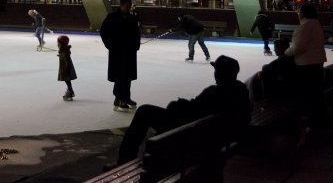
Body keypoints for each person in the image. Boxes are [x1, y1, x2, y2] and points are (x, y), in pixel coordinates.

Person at [108, 55, 252, 167]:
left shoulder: (215, 92)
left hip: (190, 133)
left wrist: (175, 105)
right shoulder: (240, 90)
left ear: (220, 73)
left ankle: (125, 159)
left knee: (144, 112)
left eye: (216, 70)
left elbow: (192, 110)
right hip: (211, 133)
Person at [284, 4, 327, 130]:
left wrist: (286, 53)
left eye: (299, 12)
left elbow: (298, 47)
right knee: (316, 91)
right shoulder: (316, 25)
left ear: (304, 14)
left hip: (306, 64)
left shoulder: (304, 27)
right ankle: (318, 117)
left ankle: (310, 118)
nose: (298, 14)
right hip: (317, 61)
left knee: (308, 92)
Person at [100, 0, 141, 111]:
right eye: (126, 6)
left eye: (129, 7)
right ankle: (118, 98)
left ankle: (126, 97)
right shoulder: (112, 17)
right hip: (117, 53)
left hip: (129, 53)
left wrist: (136, 46)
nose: (128, 9)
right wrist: (110, 46)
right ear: (121, 5)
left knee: (127, 76)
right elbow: (104, 32)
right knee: (120, 76)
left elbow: (137, 34)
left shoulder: (132, 19)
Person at [250, 37, 296, 101]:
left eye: (275, 48)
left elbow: (267, 69)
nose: (274, 50)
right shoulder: (293, 59)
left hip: (281, 91)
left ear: (280, 49)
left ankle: (263, 101)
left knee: (256, 78)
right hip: (290, 88)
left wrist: (261, 73)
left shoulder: (280, 62)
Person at [57, 35, 77, 101]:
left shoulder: (63, 51)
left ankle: (70, 92)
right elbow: (66, 54)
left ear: (61, 43)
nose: (57, 44)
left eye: (58, 42)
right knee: (67, 80)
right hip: (67, 66)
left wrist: (66, 69)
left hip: (65, 67)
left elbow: (65, 59)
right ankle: (70, 90)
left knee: (67, 79)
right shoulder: (64, 49)